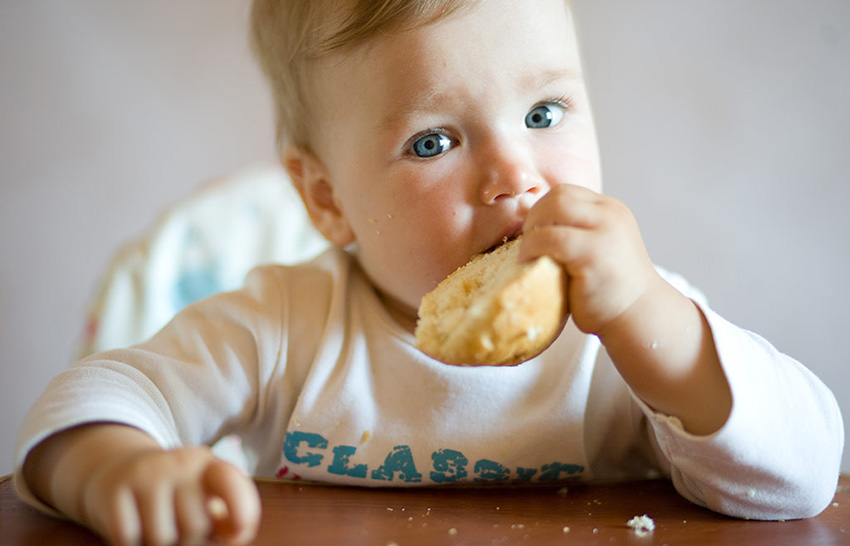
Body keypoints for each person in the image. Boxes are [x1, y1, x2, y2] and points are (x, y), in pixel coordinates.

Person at [14, 1, 844, 545]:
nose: (516, 175)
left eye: (543, 113)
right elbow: (85, 400)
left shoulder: (628, 331)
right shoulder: (286, 326)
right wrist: (113, 467)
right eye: (434, 141)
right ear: (327, 197)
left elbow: (803, 476)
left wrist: (658, 328)